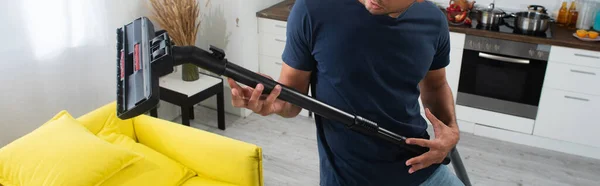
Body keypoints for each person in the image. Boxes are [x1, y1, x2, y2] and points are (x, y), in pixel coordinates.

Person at [227, 0, 463, 185]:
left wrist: (450, 131)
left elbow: (435, 85)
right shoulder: (313, 9)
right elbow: (291, 101)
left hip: (419, 166)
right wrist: (273, 104)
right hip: (347, 177)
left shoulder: (433, 21)